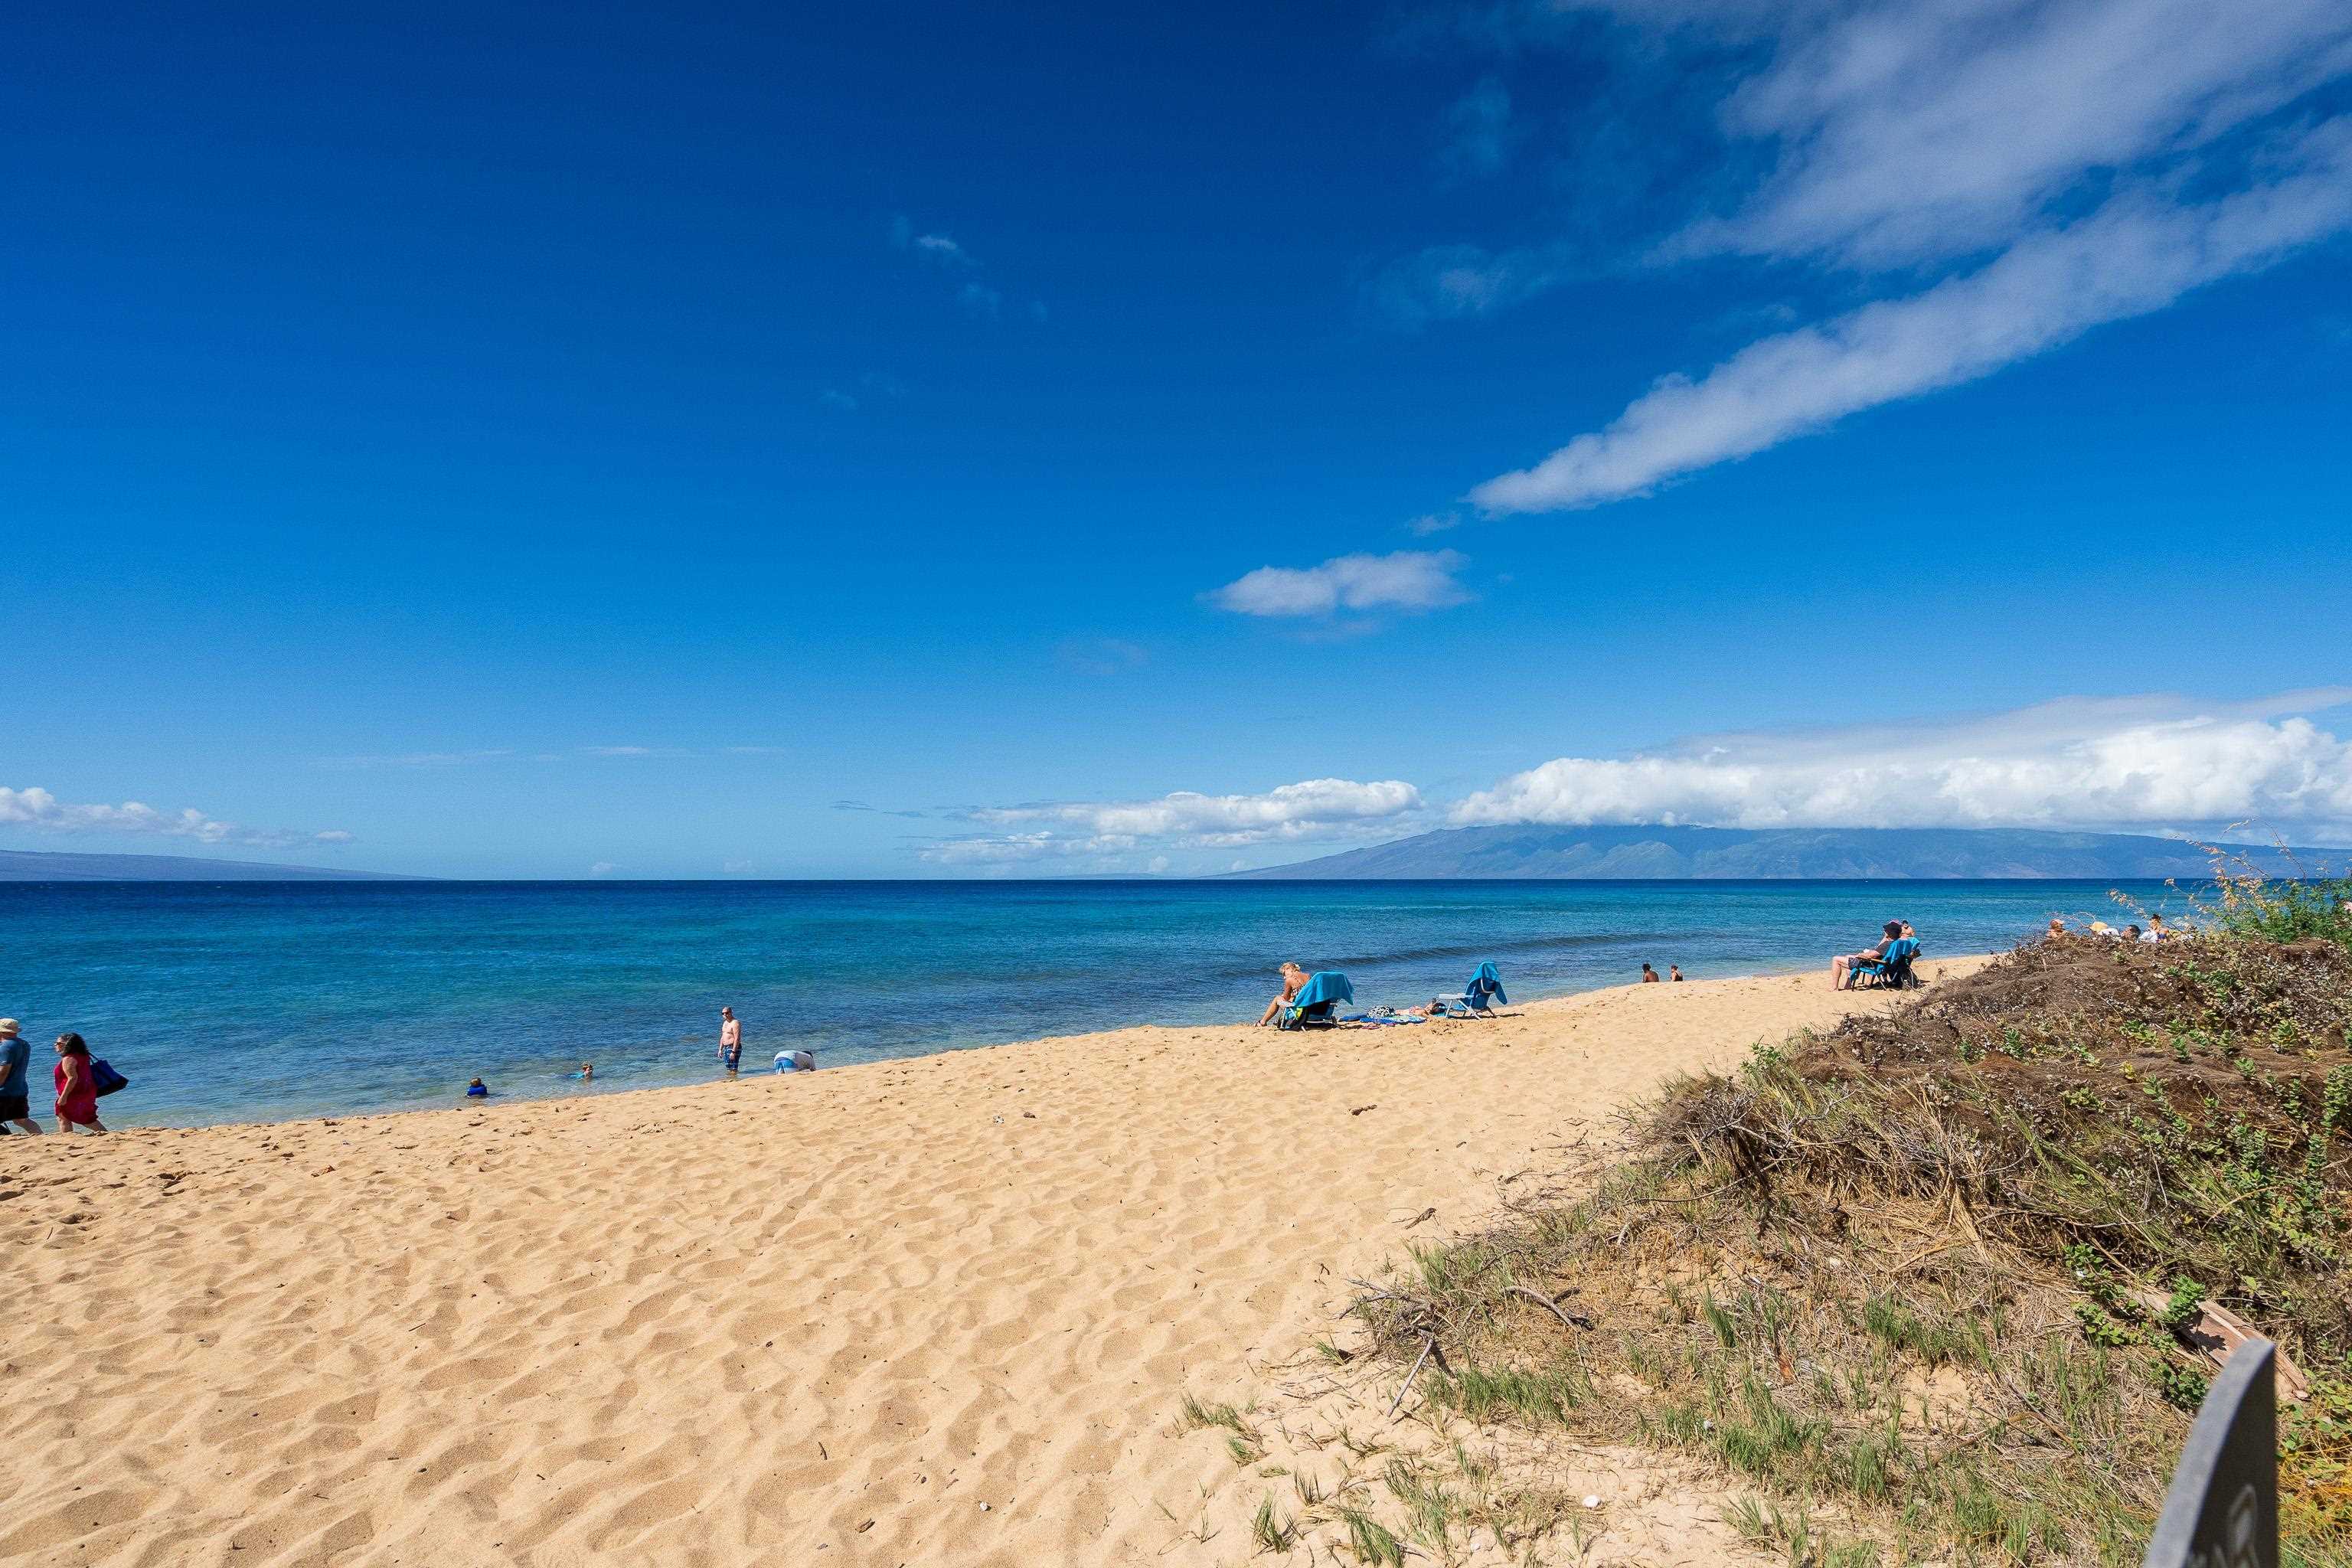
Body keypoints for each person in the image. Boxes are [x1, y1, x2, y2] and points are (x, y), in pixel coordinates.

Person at [53, 1033, 105, 1135]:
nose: (55, 1045)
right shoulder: (83, 1055)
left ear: (66, 1044)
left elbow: (72, 1078)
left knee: (68, 1116)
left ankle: (67, 1139)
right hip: (85, 1090)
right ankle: (105, 1133)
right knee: (83, 1117)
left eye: (58, 1043)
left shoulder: (69, 1059)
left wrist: (63, 1096)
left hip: (74, 1093)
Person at [1831, 921, 1905, 991]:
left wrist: (1860, 955)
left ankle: (1834, 987)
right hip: (1883, 965)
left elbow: (1869, 956)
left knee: (1836, 959)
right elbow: (1877, 953)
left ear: (1890, 933)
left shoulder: (1887, 944)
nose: (1884, 931)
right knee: (1848, 956)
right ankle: (1849, 982)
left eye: (1886, 930)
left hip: (1869, 964)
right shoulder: (1897, 943)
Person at [0, 1020, 38, 1136]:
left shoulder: (6, 1047)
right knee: (22, 1120)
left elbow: (3, 1071)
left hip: (4, 1091)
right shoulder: (24, 1044)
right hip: (20, 1088)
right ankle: (42, 1137)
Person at [1256, 962, 1310, 1027]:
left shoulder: (1289, 980)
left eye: (1284, 974)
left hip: (1300, 1012)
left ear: (1289, 969)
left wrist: (1282, 996)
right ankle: (1278, 1019)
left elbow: (1285, 999)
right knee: (1292, 998)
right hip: (1310, 1009)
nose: (1284, 977)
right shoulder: (1308, 976)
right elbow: (1303, 993)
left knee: (1277, 998)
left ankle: (1262, 1022)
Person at [719, 1006, 743, 1076]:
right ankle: (731, 1078)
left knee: (733, 1066)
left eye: (727, 1013)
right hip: (726, 1047)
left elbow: (737, 1038)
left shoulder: (735, 1023)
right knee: (728, 1066)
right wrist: (720, 1049)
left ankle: (734, 1080)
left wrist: (733, 1051)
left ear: (731, 1013)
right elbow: (723, 1037)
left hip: (733, 1047)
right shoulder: (725, 1023)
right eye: (723, 1013)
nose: (725, 1015)